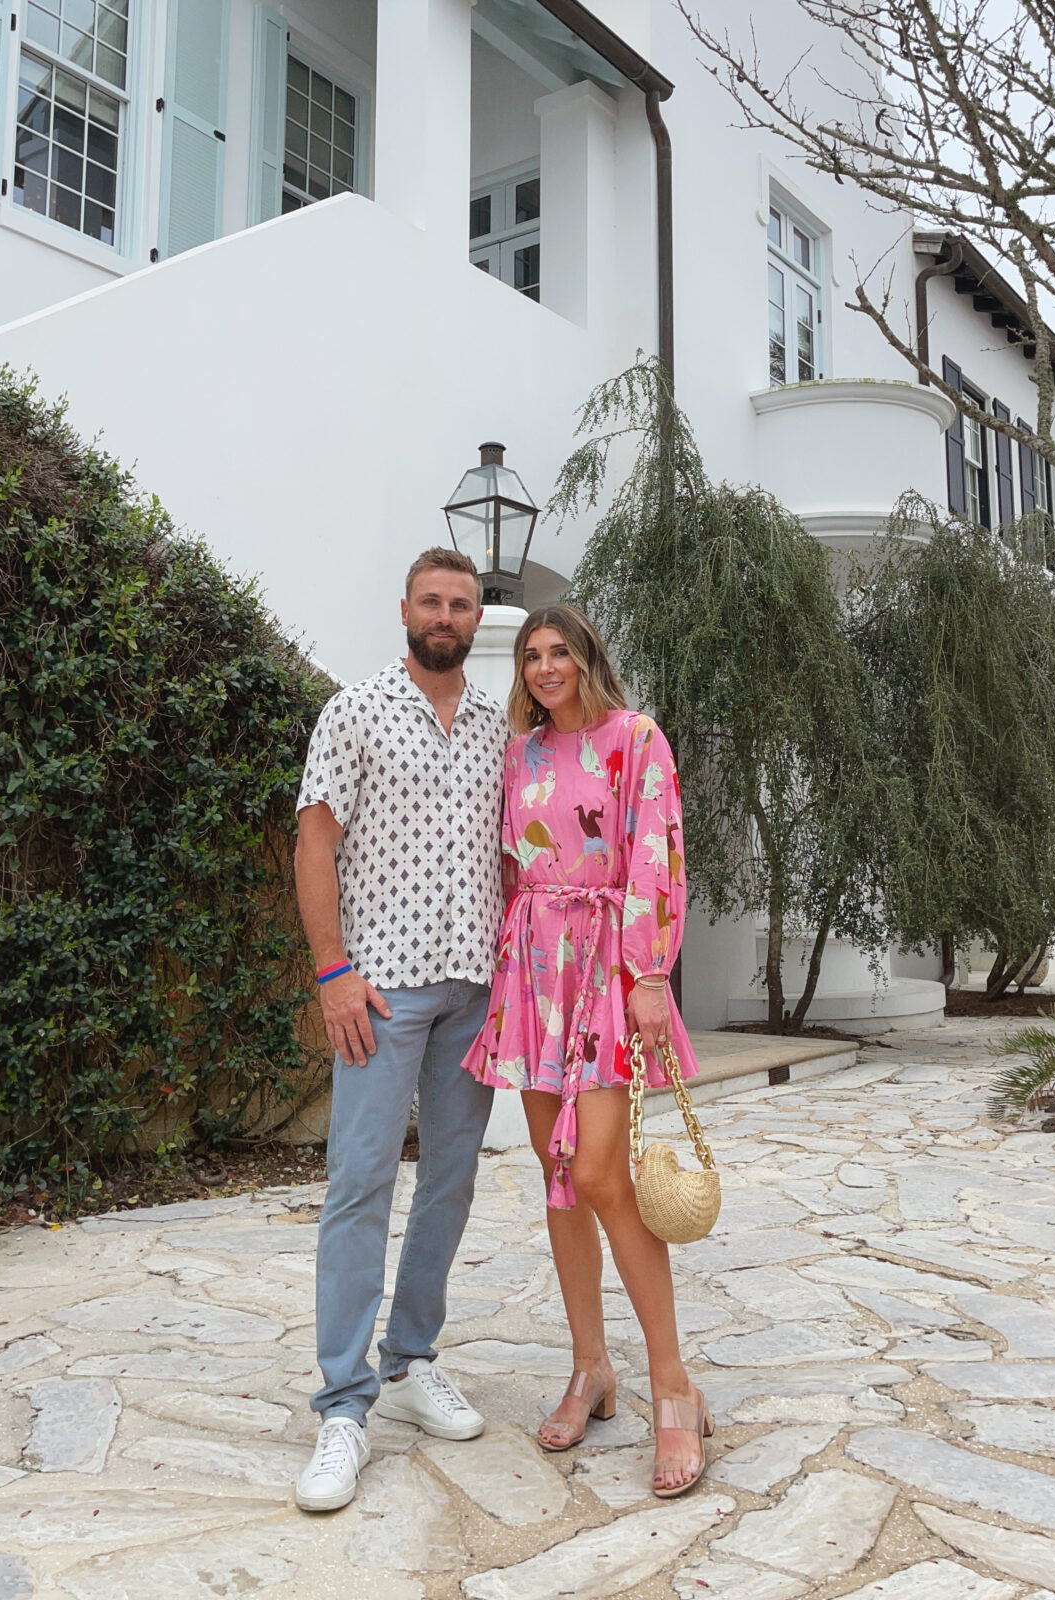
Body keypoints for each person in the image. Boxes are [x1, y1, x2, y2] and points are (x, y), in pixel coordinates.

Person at [462, 603, 713, 1499]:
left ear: (587, 657)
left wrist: (650, 973)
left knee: (605, 1174)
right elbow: (504, 868)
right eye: (531, 655)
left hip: (610, 965)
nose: (544, 667)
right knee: (559, 1169)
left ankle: (674, 1386)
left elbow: (658, 857)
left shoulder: (636, 739)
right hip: (537, 968)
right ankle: (589, 1366)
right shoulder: (518, 757)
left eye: (558, 651)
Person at [292, 547, 506, 1512]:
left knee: (451, 1181)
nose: (445, 615)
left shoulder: (499, 726)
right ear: (406, 610)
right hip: (380, 994)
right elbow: (315, 841)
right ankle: (344, 1404)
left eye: (460, 603)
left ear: (474, 618)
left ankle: (412, 1359)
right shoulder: (355, 710)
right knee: (360, 1184)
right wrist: (333, 972)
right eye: (431, 601)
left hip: (475, 989)